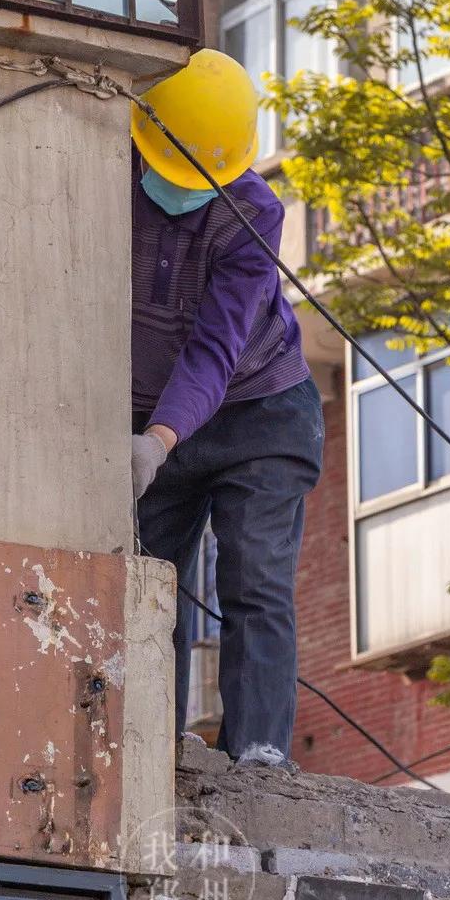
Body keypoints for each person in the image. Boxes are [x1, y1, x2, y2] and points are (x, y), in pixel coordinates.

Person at [130, 49, 324, 769]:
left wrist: (158, 438)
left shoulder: (253, 213)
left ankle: (260, 755)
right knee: (151, 583)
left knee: (256, 576)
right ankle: (155, 747)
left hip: (261, 413)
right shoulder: (112, 169)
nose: (183, 190)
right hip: (149, 414)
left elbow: (216, 347)